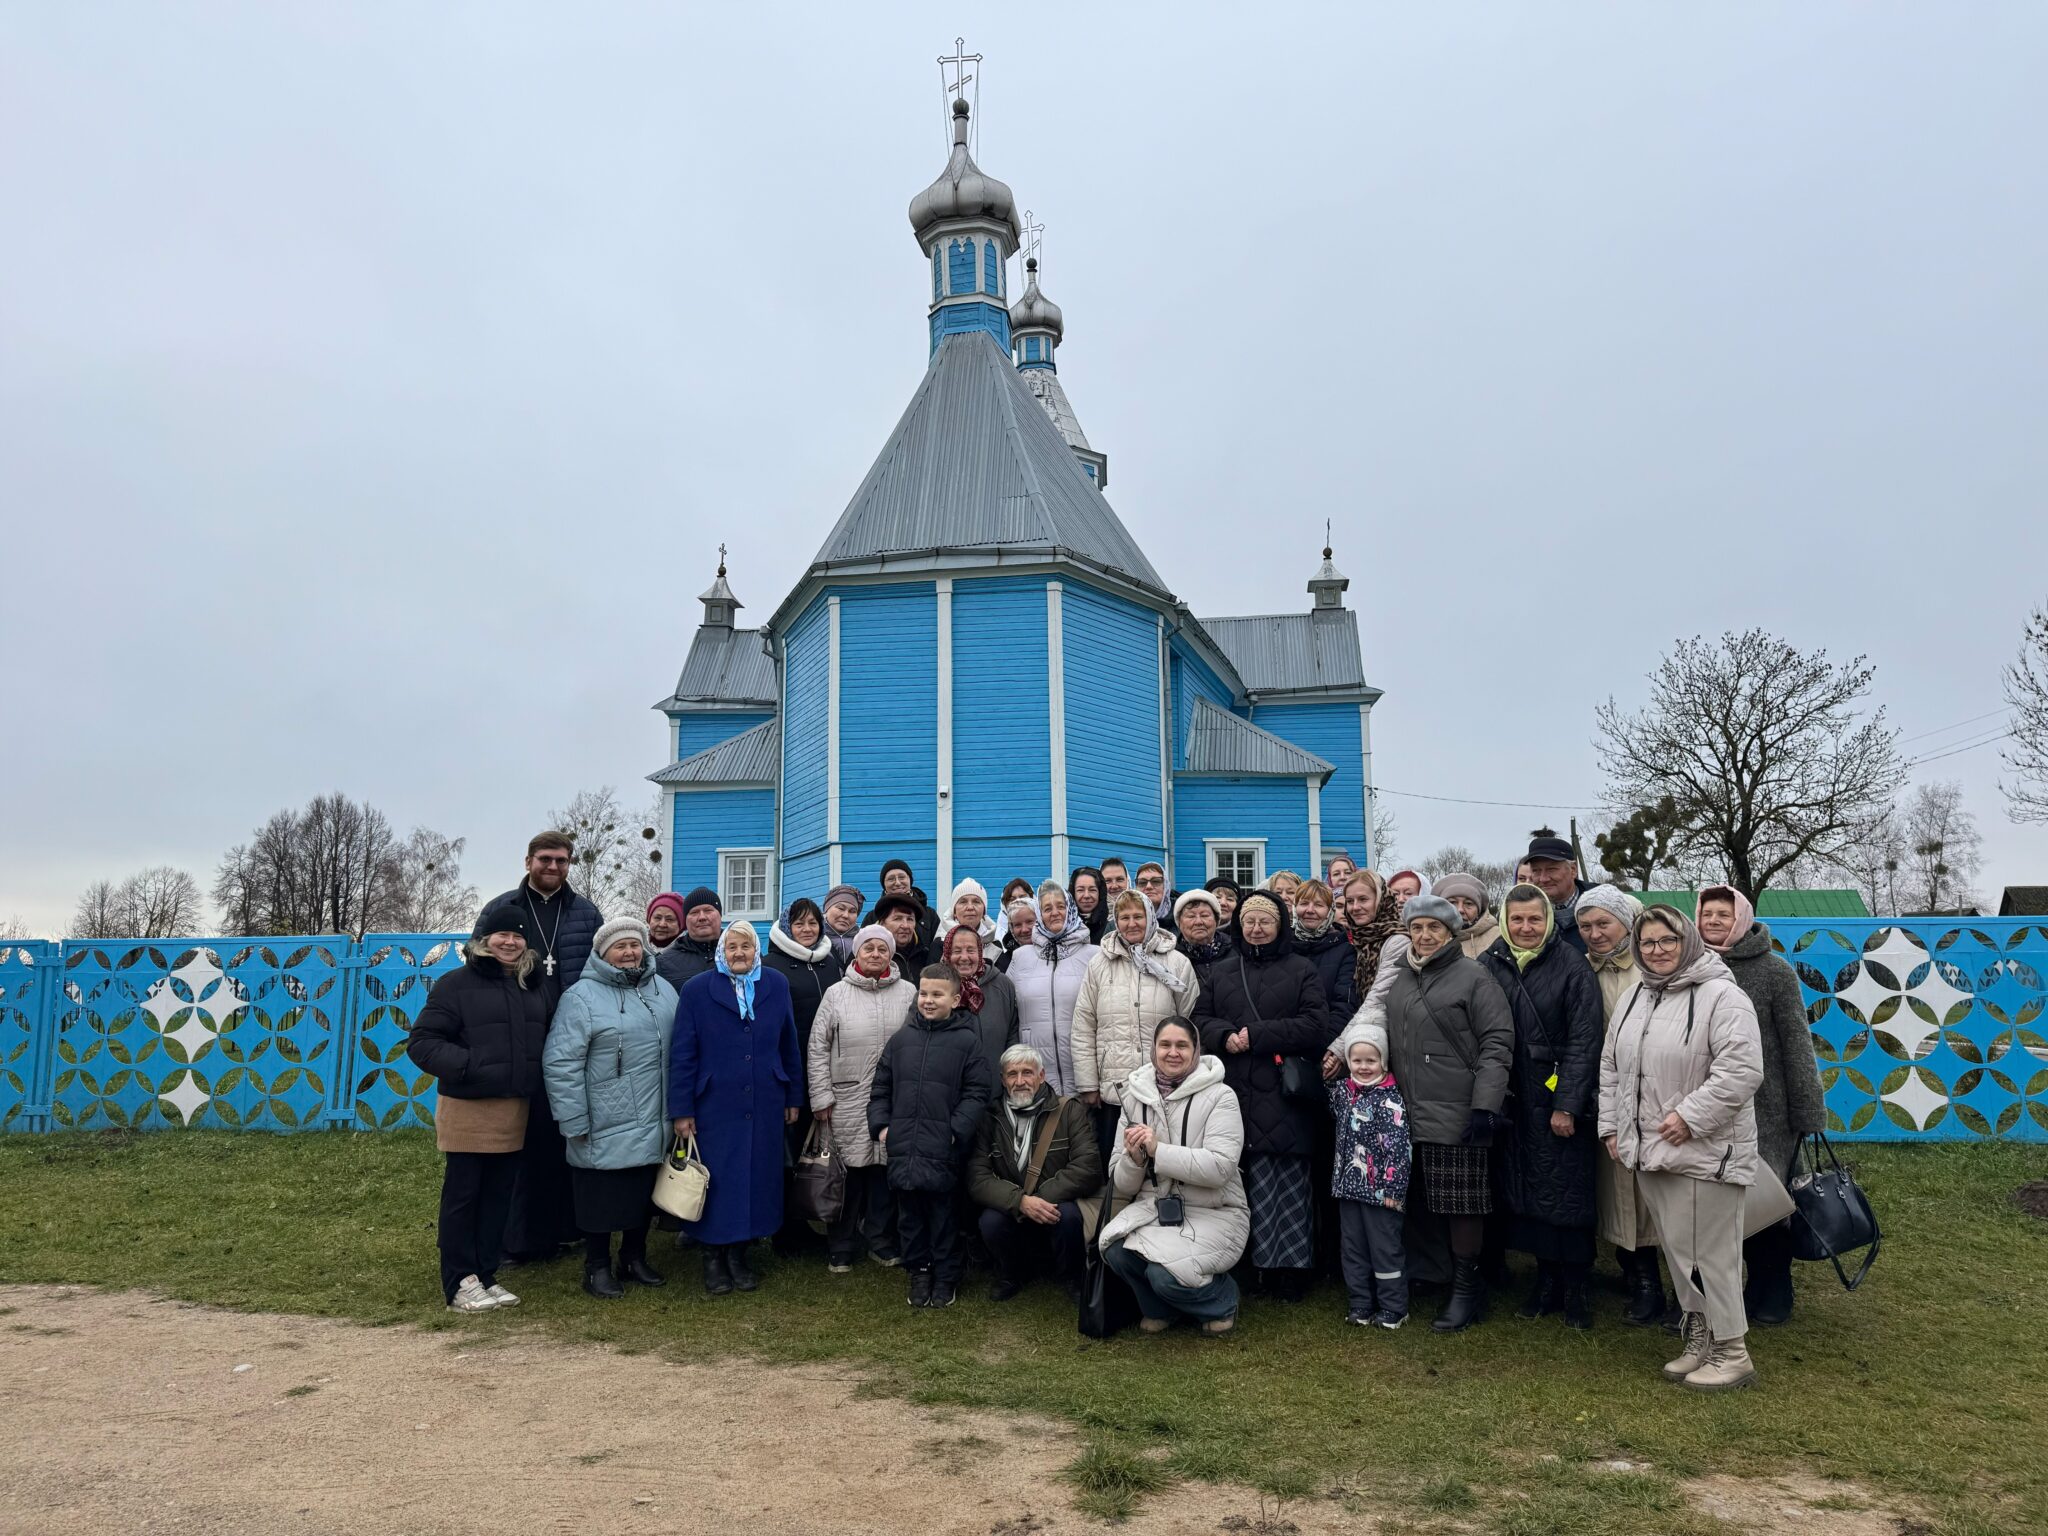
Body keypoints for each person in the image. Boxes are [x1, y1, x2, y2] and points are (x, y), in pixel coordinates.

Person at [1600, 906, 1764, 1391]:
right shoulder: (1634, 997)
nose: (1657, 951)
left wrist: (1689, 1118)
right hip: (1650, 1151)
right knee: (1679, 1253)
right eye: (1648, 943)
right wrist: (1612, 1127)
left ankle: (1732, 1350)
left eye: (1667, 941)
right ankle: (1700, 1339)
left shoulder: (1723, 996)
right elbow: (1611, 1067)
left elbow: (1741, 1071)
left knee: (1712, 1255)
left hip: (1706, 1150)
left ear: (1687, 940)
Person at [1373, 894, 1514, 1332]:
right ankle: (1435, 1274)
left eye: (1434, 928)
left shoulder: (1474, 977)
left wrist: (1485, 1105)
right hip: (1407, 1108)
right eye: (1417, 928)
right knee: (1419, 1201)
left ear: (1451, 933)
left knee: (1461, 1204)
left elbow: (1497, 1042)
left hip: (1458, 1107)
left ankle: (1468, 1289)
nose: (1425, 936)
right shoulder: (1401, 978)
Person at [409, 899, 551, 1311]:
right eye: (501, 934)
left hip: (514, 1109)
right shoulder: (456, 983)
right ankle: (458, 1281)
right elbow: (422, 1043)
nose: (509, 941)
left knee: (498, 1199)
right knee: (464, 1197)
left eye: (517, 935)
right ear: (484, 938)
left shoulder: (532, 987)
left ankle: (486, 1274)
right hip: (469, 1108)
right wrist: (471, 1065)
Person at [1697, 884, 1826, 1327]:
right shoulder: (1690, 968)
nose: (1713, 921)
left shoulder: (1774, 972)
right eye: (1707, 913)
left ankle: (1773, 1284)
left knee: (1768, 1201)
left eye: (1722, 914)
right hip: (1708, 1108)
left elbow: (1796, 1043)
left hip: (1766, 1108)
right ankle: (1726, 1286)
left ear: (1743, 918)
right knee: (1718, 1205)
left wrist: (1808, 1111)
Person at [472, 832, 604, 1263]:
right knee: (518, 1139)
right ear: (528, 860)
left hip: (570, 1038)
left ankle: (561, 1230)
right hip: (517, 1036)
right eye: (546, 859)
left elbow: (599, 969)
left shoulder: (585, 913)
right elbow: (478, 963)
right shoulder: (502, 909)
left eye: (562, 861)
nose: (554, 867)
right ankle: (514, 1238)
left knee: (561, 1135)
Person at [1194, 891, 1333, 1301]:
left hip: (1283, 1091)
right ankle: (1249, 1266)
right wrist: (1222, 1036)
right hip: (1234, 1089)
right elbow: (1200, 1019)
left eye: (1265, 922)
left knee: (1286, 1183)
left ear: (1279, 926)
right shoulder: (1220, 971)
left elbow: (1315, 1024)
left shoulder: (1301, 969)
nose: (1256, 929)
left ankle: (1290, 1271)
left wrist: (1257, 1035)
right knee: (1241, 1184)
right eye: (1249, 922)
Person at [1479, 884, 1604, 1329]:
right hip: (1512, 1097)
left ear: (1548, 921)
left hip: (1553, 1097)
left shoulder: (1572, 965)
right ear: (1504, 921)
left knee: (1568, 1195)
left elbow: (1585, 1041)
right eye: (1517, 919)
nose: (1526, 928)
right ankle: (1545, 1282)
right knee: (1530, 1192)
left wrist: (1567, 1103)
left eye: (1535, 919)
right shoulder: (1491, 963)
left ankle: (1577, 1287)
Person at [543, 917, 676, 1299]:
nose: (629, 952)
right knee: (600, 1197)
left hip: (655, 1111)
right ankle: (596, 1266)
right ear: (602, 953)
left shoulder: (662, 989)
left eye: (635, 945)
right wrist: (572, 1117)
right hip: (604, 1116)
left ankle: (633, 1258)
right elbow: (561, 1062)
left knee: (641, 1192)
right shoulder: (581, 997)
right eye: (620, 947)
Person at [668, 922, 803, 1295]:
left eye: (746, 946)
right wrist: (681, 1109)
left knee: (755, 1177)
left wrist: (794, 1096)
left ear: (756, 949)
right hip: (714, 1104)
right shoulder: (697, 990)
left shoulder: (775, 984)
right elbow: (682, 1053)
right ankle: (713, 1257)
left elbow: (788, 1043)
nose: (739, 953)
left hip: (765, 1100)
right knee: (717, 1180)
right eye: (732, 947)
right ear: (721, 952)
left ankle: (740, 1255)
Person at [1098, 1018, 1248, 1335]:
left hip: (1213, 1211)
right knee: (1116, 1252)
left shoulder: (1221, 1095)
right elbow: (1120, 1182)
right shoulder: (1134, 1096)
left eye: (1182, 1045)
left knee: (1163, 1274)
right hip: (1156, 1209)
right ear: (1154, 1050)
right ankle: (1161, 1309)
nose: (1173, 1052)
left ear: (1195, 1051)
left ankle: (1222, 1300)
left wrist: (1158, 1151)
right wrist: (1135, 1158)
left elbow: (1220, 1168)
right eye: (1165, 1045)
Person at [869, 963, 996, 1307]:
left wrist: (955, 1131)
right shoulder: (901, 1040)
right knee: (910, 1217)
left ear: (955, 999)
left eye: (937, 994)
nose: (928, 1000)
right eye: (923, 993)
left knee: (943, 1216)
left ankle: (946, 1275)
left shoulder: (967, 1042)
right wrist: (881, 1126)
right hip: (905, 1149)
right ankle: (919, 1271)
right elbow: (881, 1087)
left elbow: (977, 1092)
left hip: (943, 1149)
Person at [1573, 884, 1665, 1326]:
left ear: (1627, 923)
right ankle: (1638, 1274)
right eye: (1585, 926)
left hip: (1654, 1096)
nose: (1594, 934)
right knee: (1619, 1191)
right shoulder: (1582, 971)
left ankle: (1670, 1284)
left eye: (1603, 923)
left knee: (1653, 1193)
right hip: (1605, 1097)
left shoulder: (1649, 970)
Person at [807, 925, 913, 1272]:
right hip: (847, 1097)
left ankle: (880, 1240)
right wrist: (821, 1095)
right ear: (856, 952)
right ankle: (840, 1243)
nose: (875, 954)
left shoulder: (909, 992)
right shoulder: (836, 994)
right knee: (847, 1175)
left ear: (890, 954)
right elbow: (818, 1047)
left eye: (882, 949)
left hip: (895, 1099)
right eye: (868, 948)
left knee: (883, 1172)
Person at [1072, 889, 1201, 1165]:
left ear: (1150, 918)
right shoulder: (1099, 964)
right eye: (1124, 917)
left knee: (1161, 1162)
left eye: (1138, 916)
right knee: (1119, 1165)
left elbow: (1190, 1023)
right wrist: (1087, 1083)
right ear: (1115, 922)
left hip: (1164, 1087)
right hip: (1115, 1088)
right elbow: (1084, 1024)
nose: (1132, 924)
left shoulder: (1176, 963)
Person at [969, 1043, 1104, 1302]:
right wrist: (1020, 1202)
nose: (1020, 1081)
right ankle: (1012, 1274)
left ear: (1041, 1076)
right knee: (990, 1221)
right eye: (1012, 1074)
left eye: (1027, 1073)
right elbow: (977, 1177)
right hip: (1014, 1207)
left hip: (1054, 1203)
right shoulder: (991, 1118)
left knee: (1069, 1217)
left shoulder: (1069, 1110)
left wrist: (1039, 1199)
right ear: (1003, 1080)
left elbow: (1088, 1167)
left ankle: (1072, 1277)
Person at [763, 897, 845, 1249]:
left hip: (827, 1068)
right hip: (789, 1067)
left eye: (813, 923)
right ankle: (784, 1228)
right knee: (789, 1149)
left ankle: (813, 1214)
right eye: (800, 924)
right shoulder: (771, 966)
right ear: (786, 927)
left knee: (820, 1146)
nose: (808, 930)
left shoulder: (832, 963)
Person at [1326, 1019, 1410, 1329]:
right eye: (1357, 1060)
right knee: (1353, 1249)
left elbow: (1399, 1150)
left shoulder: (1390, 1100)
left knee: (1385, 1249)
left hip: (1380, 1194)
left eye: (1371, 1060)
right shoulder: (1344, 1093)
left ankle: (1393, 1306)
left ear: (1383, 1062)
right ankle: (1360, 1302)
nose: (1363, 1067)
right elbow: (1331, 1102)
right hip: (1348, 1188)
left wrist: (1393, 1190)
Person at [1006, 879, 1100, 1096]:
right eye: (1047, 908)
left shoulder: (1094, 955)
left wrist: (1091, 1081)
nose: (1055, 913)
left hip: (1084, 1079)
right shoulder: (1021, 957)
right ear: (1039, 914)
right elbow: (1008, 1012)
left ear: (1071, 909)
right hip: (1036, 1076)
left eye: (1061, 906)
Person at [941, 922, 1020, 1084]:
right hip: (948, 1089)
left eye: (971, 950)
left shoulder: (1002, 984)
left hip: (995, 1087)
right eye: (957, 951)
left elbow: (1013, 1034)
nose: (964, 957)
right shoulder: (934, 985)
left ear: (980, 952)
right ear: (947, 953)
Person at [1290, 878, 1357, 1022]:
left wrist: (1325, 1041)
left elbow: (1344, 1005)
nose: (1310, 910)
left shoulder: (1344, 949)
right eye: (1304, 903)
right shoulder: (1283, 945)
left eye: (1319, 905)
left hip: (1326, 1036)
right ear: (1295, 907)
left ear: (1330, 911)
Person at [1344, 871, 1407, 1018]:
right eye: (1350, 901)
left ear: (1381, 901)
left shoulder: (1398, 940)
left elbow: (1377, 1000)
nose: (1355, 907)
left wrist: (1339, 1041)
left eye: (1363, 899)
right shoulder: (1354, 940)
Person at [1523, 835, 1594, 954]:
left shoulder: (1603, 907)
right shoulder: (1522, 915)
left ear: (1573, 870)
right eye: (1536, 871)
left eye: (1551, 869)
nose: (1543, 878)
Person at [655, 886, 724, 991]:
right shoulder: (664, 963)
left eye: (708, 910)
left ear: (720, 915)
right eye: (694, 912)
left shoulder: (744, 952)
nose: (702, 917)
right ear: (685, 920)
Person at [866, 860, 940, 951]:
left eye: (902, 877)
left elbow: (938, 949)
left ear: (910, 880)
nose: (897, 883)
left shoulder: (929, 914)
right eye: (891, 879)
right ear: (884, 884)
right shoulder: (873, 917)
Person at [1430, 872, 1499, 959]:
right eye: (1452, 902)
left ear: (1479, 911)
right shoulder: (1427, 937)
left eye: (1468, 903)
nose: (1460, 910)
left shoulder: (1497, 937)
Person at [937, 878, 1003, 961]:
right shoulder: (940, 943)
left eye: (976, 901)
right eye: (963, 902)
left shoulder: (995, 944)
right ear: (954, 911)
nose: (970, 907)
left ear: (984, 911)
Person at [1173, 887, 1232, 972]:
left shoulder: (1236, 951)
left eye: (1205, 915)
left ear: (1216, 920)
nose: (1198, 922)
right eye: (1191, 916)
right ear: (1179, 922)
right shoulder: (1171, 957)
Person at [876, 891, 932, 981]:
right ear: (882, 923)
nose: (905, 925)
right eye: (897, 919)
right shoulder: (872, 957)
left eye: (910, 919)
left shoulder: (926, 956)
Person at [821, 884, 866, 966]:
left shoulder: (864, 941)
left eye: (852, 911)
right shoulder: (813, 938)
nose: (846, 915)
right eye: (841, 908)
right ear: (826, 909)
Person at [1134, 862, 1177, 934]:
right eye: (1142, 882)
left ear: (1166, 886)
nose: (1148, 886)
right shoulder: (1127, 917)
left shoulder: (1180, 917)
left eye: (1156, 881)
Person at [1069, 866, 1110, 944]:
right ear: (1073, 893)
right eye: (1080, 890)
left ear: (1100, 893)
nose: (1086, 895)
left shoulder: (1110, 931)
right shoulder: (1064, 930)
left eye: (1092, 890)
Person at [998, 897, 1038, 970]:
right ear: (1011, 928)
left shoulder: (1055, 953)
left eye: (1029, 922)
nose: (1024, 930)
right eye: (1018, 925)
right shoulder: (1004, 963)